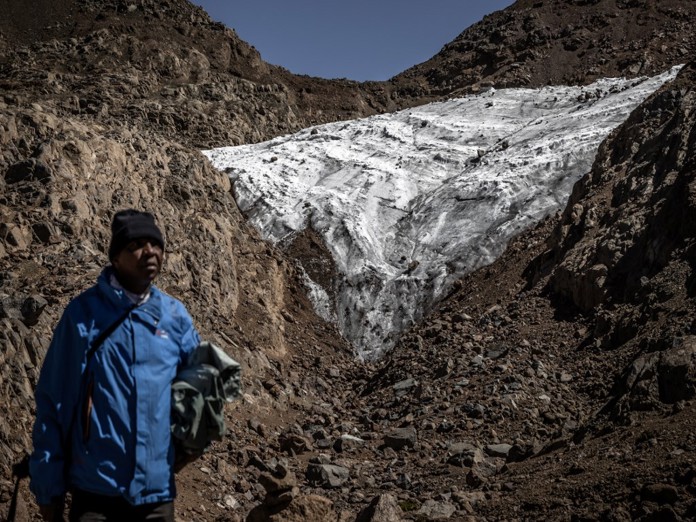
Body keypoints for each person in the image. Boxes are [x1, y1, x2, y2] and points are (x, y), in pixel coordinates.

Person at [29, 209, 201, 521]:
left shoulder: (175, 317)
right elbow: (54, 403)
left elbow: (201, 388)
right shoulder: (82, 316)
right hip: (96, 492)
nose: (149, 251)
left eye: (155, 243)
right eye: (136, 244)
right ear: (115, 258)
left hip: (156, 495)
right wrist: (48, 487)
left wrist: (189, 446)